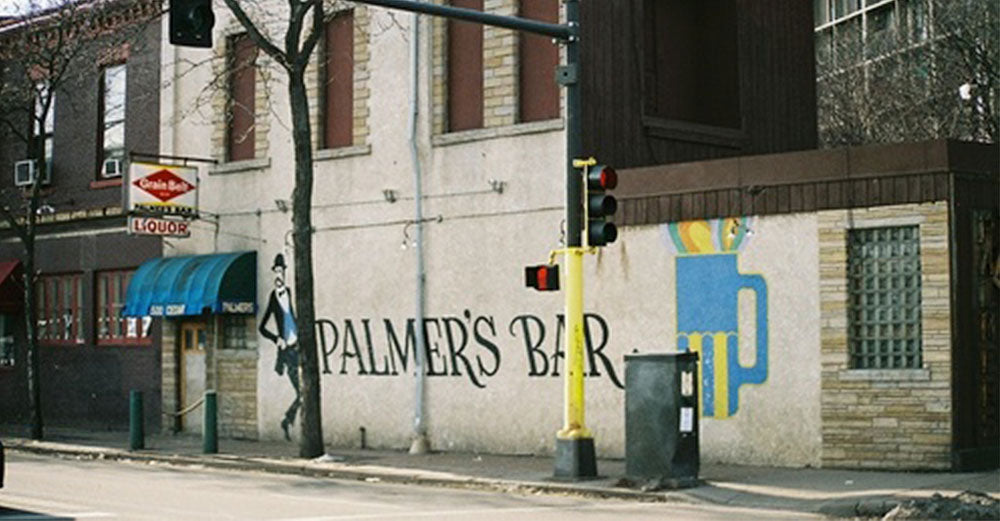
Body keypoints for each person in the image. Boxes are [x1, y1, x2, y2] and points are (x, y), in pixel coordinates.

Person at [258, 253, 300, 440]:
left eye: (281, 271)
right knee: (303, 392)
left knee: (304, 392)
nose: (278, 275)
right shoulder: (273, 298)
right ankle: (287, 419)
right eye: (275, 271)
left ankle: (287, 419)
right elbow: (262, 327)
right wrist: (277, 339)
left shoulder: (290, 293)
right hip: (288, 352)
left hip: (299, 347)